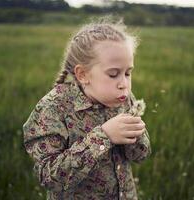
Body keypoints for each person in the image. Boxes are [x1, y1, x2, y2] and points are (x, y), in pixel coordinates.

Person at [23, 17, 151, 200]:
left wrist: (136, 137)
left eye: (128, 73)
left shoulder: (123, 100)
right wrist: (104, 136)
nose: (124, 84)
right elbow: (49, 177)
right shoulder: (53, 109)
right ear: (83, 74)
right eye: (113, 74)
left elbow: (140, 156)